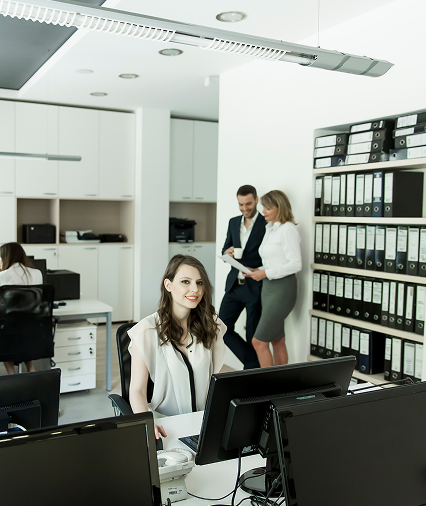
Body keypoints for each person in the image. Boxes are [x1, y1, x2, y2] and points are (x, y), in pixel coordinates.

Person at [128, 254, 226, 441]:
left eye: (199, 283)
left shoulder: (211, 325)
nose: (195, 289)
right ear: (168, 285)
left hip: (205, 423)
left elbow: (219, 384)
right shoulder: (146, 331)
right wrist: (146, 422)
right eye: (185, 282)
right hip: (165, 427)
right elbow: (137, 391)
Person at [243, 190, 301, 367]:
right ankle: (282, 381)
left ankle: (268, 382)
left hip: (282, 289)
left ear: (279, 208)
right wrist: (257, 270)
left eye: (268, 208)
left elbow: (295, 264)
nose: (263, 212)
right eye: (263, 208)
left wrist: (265, 273)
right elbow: (273, 261)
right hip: (268, 288)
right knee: (278, 339)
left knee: (258, 342)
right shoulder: (270, 228)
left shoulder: (288, 229)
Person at [219, 185, 266, 369]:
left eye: (248, 204)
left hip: (255, 286)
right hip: (234, 285)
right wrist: (227, 252)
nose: (244, 208)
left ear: (256, 200)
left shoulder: (266, 223)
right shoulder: (233, 222)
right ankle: (252, 364)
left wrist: (260, 270)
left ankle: (251, 373)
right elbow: (225, 248)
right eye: (241, 204)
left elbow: (271, 256)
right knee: (221, 328)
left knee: (252, 335)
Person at [0, 242, 44, 375]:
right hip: (33, 329)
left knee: (5, 332)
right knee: (25, 332)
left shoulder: (2, 276)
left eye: (0, 256)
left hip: (10, 330)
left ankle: (11, 374)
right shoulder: (37, 273)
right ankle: (31, 369)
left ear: (7, 257)